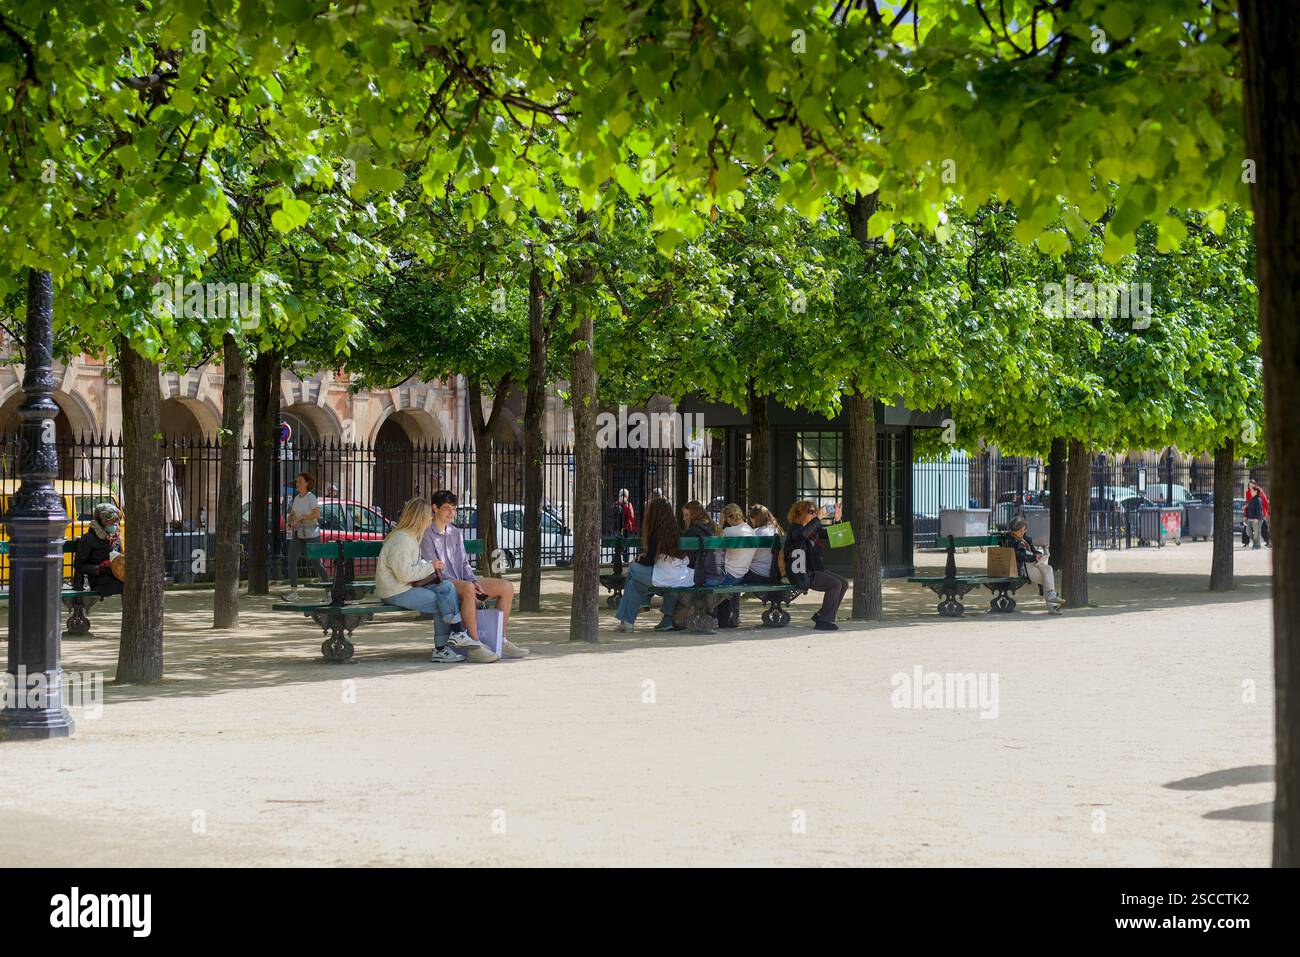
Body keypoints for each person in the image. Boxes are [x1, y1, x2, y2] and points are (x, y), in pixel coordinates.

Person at [421, 490, 528, 658]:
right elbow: (433, 569)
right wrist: (467, 585)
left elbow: (464, 563)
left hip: (464, 581)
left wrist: (474, 581)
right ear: (435, 508)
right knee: (468, 588)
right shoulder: (426, 534)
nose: (452, 513)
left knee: (506, 587)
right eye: (448, 508)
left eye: (454, 508)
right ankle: (475, 645)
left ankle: (500, 639)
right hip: (441, 583)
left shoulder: (455, 533)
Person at [376, 498, 485, 663]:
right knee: (443, 601)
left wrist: (429, 565)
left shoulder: (410, 537)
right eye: (428, 515)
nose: (430, 519)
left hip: (405, 587)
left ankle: (456, 635)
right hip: (396, 591)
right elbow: (404, 574)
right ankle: (448, 642)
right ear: (419, 517)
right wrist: (431, 566)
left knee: (446, 588)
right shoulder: (402, 539)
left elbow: (410, 568)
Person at [613, 497, 693, 632]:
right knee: (634, 584)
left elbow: (649, 561)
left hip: (662, 575)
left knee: (632, 569)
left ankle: (625, 619)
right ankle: (627, 622)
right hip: (679, 575)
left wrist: (638, 559)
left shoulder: (654, 533)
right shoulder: (676, 531)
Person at [656, 500, 726, 630]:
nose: (684, 518)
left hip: (702, 575)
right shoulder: (715, 527)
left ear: (694, 515)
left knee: (673, 578)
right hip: (719, 575)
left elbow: (687, 558)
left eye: (686, 515)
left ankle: (667, 618)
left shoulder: (692, 531)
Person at [783, 500, 846, 630]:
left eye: (815, 512)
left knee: (843, 583)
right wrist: (818, 518)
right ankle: (824, 621)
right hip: (801, 573)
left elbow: (837, 537)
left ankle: (821, 615)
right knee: (835, 584)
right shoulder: (795, 529)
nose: (814, 514)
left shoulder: (813, 528)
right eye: (811, 512)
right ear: (800, 513)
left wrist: (837, 519)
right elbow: (802, 535)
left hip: (815, 570)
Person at [1003, 517, 1065, 614]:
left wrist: (1038, 555)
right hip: (1022, 567)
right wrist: (1033, 557)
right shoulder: (1010, 540)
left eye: (1024, 530)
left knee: (1048, 569)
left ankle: (1051, 597)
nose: (1022, 532)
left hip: (1032, 564)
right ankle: (1052, 604)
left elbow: (1033, 552)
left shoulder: (1025, 539)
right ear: (1014, 530)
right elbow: (1018, 556)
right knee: (1047, 576)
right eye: (1020, 531)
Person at [715, 503, 761, 628]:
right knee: (731, 589)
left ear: (727, 518)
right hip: (741, 573)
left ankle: (714, 617)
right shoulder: (750, 530)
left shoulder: (729, 531)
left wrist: (719, 524)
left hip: (728, 574)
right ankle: (732, 618)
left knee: (707, 580)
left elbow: (714, 544)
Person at [282, 472, 325, 602]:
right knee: (291, 560)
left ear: (307, 483)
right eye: (297, 481)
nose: (297, 483)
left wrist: (302, 518)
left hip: (312, 534)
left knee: (316, 564)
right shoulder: (297, 498)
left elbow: (316, 514)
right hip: (299, 534)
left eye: (300, 481)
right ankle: (294, 592)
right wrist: (289, 521)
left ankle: (329, 592)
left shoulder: (311, 497)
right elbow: (292, 513)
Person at [74, 503, 125, 597]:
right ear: (100, 521)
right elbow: (79, 565)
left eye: (116, 520)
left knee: (134, 583)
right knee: (127, 587)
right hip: (99, 580)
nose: (113, 524)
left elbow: (119, 555)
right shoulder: (88, 538)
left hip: (116, 575)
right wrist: (99, 568)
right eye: (109, 521)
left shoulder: (115, 537)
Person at [746, 505, 784, 584]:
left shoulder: (756, 533)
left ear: (754, 518)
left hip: (757, 574)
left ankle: (733, 596)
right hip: (775, 574)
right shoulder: (777, 530)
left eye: (750, 516)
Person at [1245, 480, 1270, 550]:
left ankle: (1258, 544)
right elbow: (1247, 505)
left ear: (1255, 485)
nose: (1250, 487)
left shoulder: (1259, 493)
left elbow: (1263, 504)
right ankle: (1256, 543)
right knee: (1249, 531)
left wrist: (1267, 513)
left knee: (1259, 531)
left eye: (1251, 485)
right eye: (1249, 485)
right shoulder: (1248, 493)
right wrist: (1245, 515)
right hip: (1251, 516)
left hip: (1259, 516)